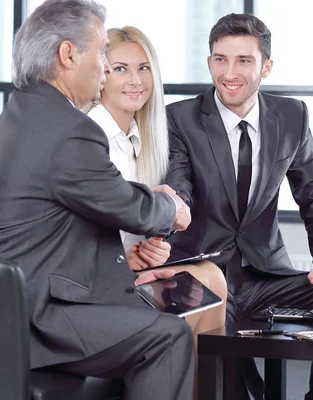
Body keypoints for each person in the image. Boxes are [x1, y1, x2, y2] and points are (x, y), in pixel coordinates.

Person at [165, 13, 313, 400]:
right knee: (218, 336)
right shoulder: (179, 118)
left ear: (267, 66)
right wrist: (173, 208)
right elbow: (179, 188)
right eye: (220, 59)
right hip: (203, 273)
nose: (229, 73)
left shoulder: (292, 116)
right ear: (209, 62)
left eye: (244, 60)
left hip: (265, 275)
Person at [0, 1, 195, 398]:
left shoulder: (20, 112)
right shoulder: (71, 129)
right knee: (168, 336)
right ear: (69, 54)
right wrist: (171, 207)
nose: (106, 66)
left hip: (19, 303)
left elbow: (90, 201)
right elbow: (130, 208)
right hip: (40, 316)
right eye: (103, 51)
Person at [87, 26, 227, 340]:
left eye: (144, 68)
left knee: (211, 276)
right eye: (120, 69)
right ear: (101, 75)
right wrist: (129, 257)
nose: (135, 80)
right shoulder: (92, 137)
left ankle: (199, 385)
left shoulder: (139, 142)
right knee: (206, 285)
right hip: (101, 280)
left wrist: (153, 251)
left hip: (130, 270)